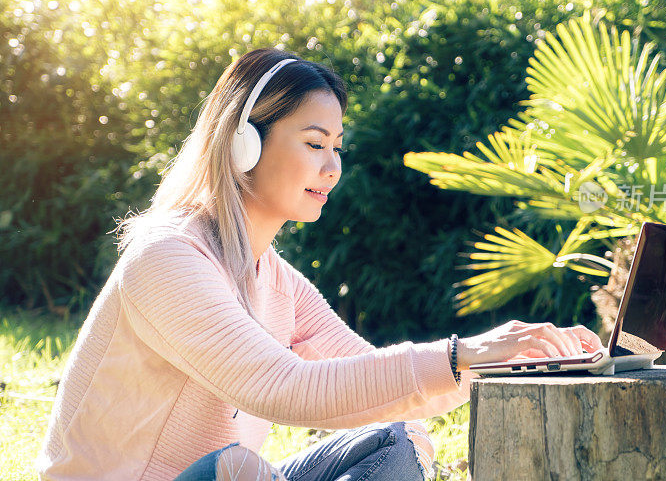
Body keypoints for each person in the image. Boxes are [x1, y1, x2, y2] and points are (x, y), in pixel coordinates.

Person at [36, 49, 602, 481]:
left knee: (396, 436)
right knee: (240, 469)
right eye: (313, 143)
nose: (332, 167)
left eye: (337, 146)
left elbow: (373, 382)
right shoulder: (168, 259)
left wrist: (513, 363)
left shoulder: (277, 280)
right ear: (243, 145)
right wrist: (463, 351)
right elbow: (285, 388)